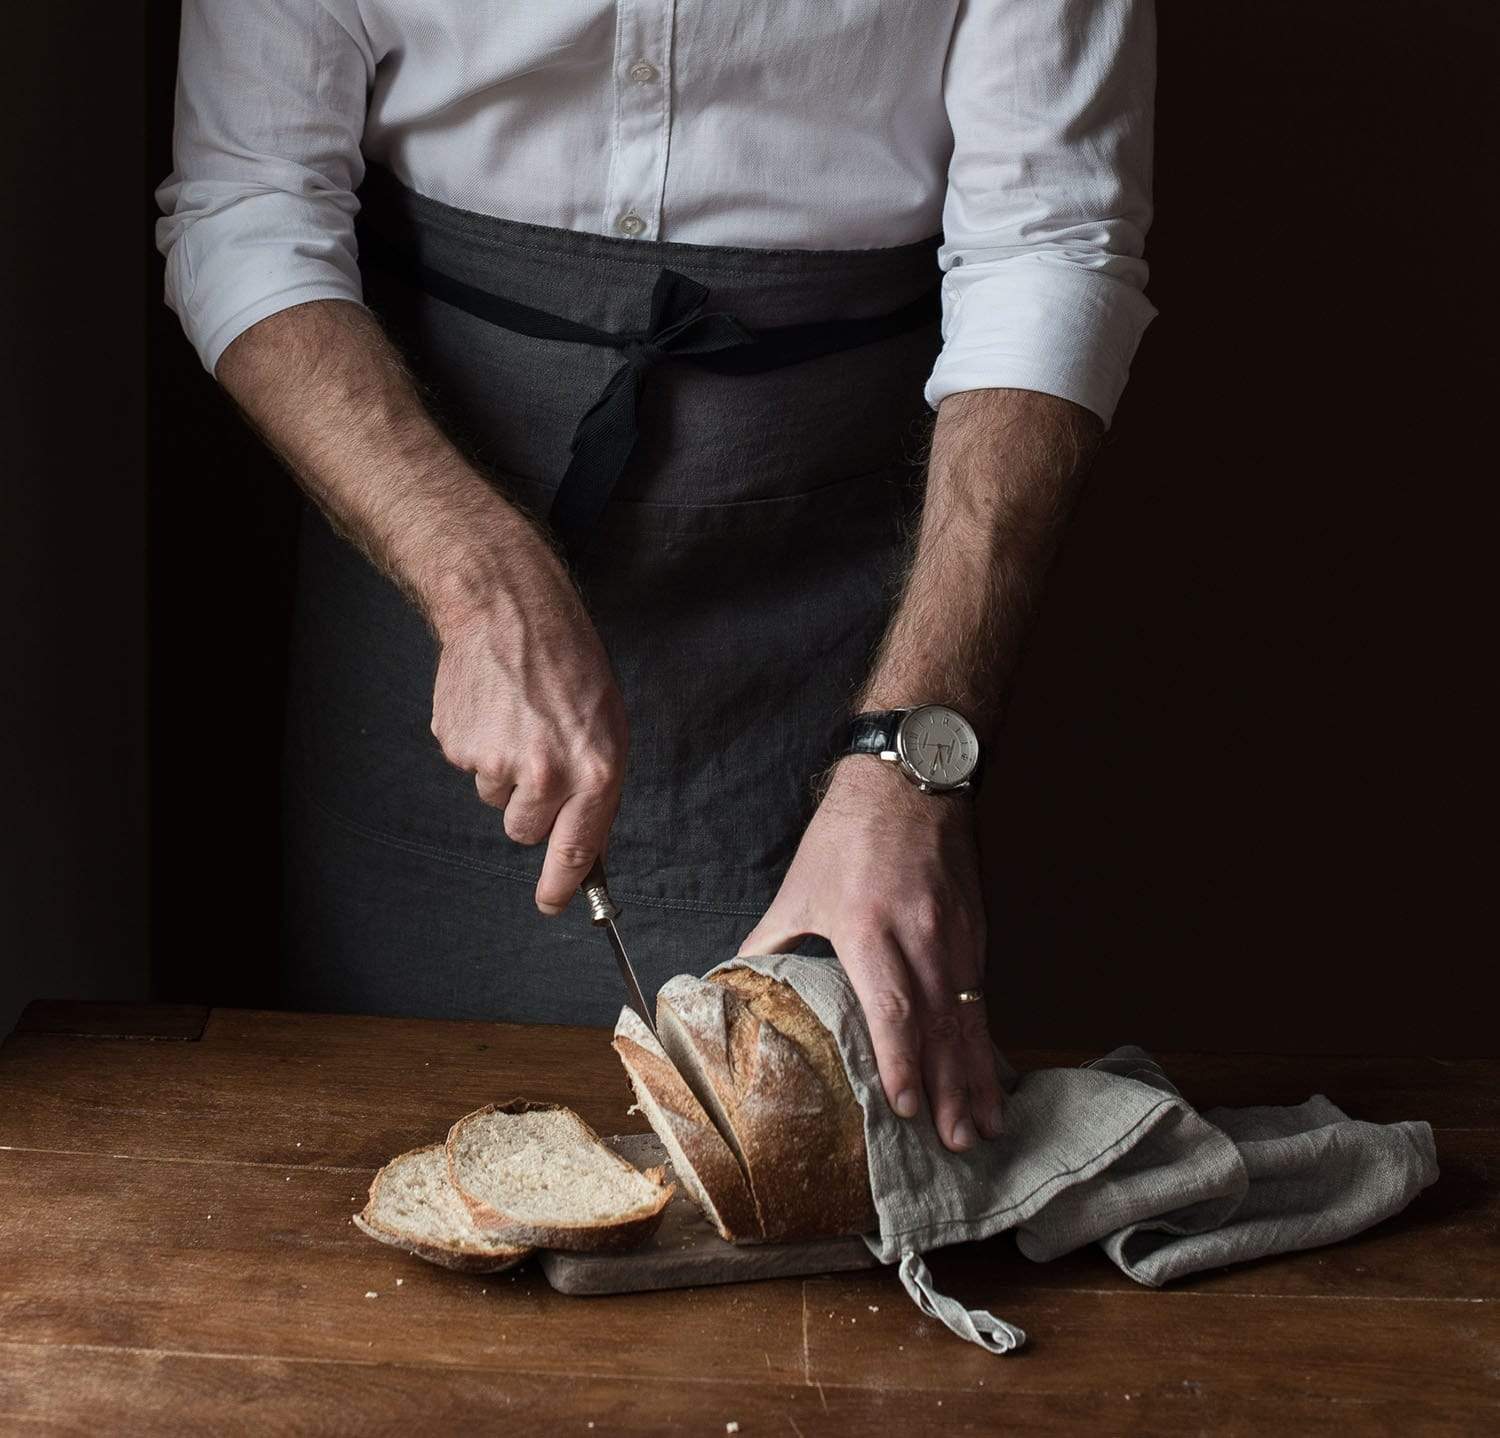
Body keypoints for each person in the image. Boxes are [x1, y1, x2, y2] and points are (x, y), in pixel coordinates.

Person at [155, 1, 1156, 1156]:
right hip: (423, 571)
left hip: (861, 606)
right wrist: (479, 577)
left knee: (839, 1157)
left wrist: (911, 754)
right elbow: (246, 199)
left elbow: (1048, 248)